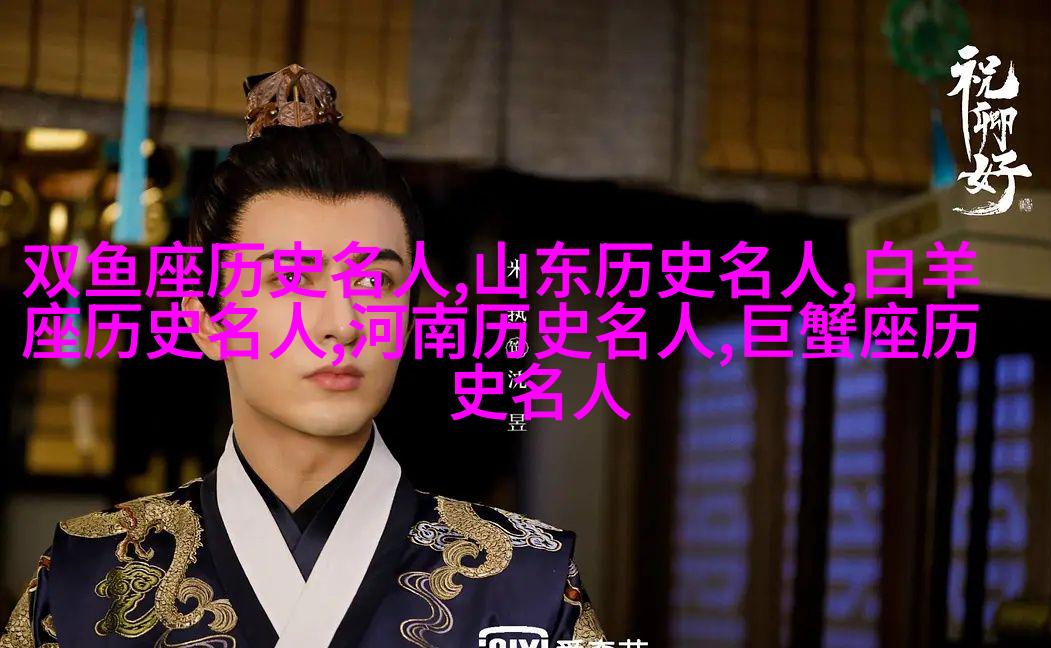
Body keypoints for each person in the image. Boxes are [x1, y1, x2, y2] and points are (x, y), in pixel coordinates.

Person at [1, 64, 604, 648]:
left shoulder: (527, 582)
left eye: (375, 282)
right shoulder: (86, 580)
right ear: (207, 321)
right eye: (290, 280)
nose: (342, 325)